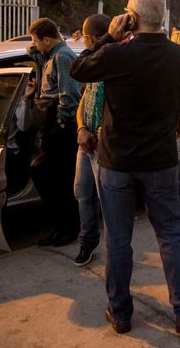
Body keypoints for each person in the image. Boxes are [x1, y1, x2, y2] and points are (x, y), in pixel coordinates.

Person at [70, 0, 180, 336]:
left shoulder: (117, 53)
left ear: (130, 17)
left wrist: (107, 38)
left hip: (116, 162)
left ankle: (120, 313)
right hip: (160, 162)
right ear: (162, 16)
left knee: (118, 239)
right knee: (170, 235)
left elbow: (77, 68)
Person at [27, 17, 82, 247]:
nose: (34, 45)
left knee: (48, 174)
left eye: (36, 40)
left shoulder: (62, 57)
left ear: (48, 39)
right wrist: (34, 46)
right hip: (52, 122)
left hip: (61, 124)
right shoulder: (49, 54)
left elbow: (68, 98)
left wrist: (58, 128)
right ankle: (63, 226)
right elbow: (35, 52)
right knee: (57, 177)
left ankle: (67, 228)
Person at [73, 13, 110, 267]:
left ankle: (114, 250)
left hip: (104, 147)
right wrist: (80, 129)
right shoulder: (91, 64)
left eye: (84, 36)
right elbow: (84, 100)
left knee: (108, 202)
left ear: (93, 38)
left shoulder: (113, 63)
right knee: (82, 193)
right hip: (84, 142)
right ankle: (87, 241)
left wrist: (96, 134)